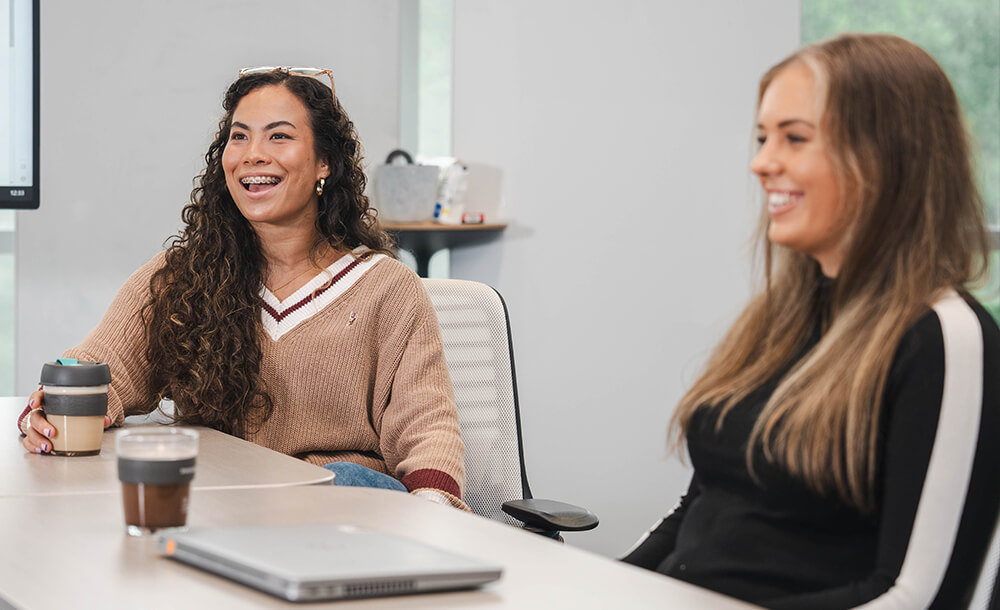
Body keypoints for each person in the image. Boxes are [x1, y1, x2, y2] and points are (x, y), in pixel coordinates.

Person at [622, 34, 999, 608]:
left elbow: (916, 597)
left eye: (794, 138)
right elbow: (702, 512)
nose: (762, 163)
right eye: (762, 138)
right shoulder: (777, 321)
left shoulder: (944, 339)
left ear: (886, 155)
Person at [17, 67, 467, 509]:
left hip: (344, 510)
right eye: (239, 136)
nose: (253, 154)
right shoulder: (183, 277)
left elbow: (428, 430)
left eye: (279, 136)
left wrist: (433, 520)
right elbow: (97, 369)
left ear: (324, 162)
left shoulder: (387, 288)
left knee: (340, 481)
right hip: (229, 508)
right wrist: (49, 412)